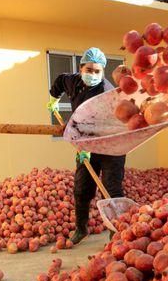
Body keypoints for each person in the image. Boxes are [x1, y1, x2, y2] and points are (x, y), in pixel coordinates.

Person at [47, 47, 126, 244]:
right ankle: (81, 229)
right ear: (81, 68)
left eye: (97, 71)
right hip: (84, 142)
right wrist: (53, 100)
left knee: (111, 188)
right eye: (89, 70)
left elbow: (102, 126)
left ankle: (115, 230)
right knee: (82, 187)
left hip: (110, 143)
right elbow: (58, 82)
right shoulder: (71, 81)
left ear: (103, 72)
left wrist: (87, 148)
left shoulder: (106, 93)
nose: (93, 74)